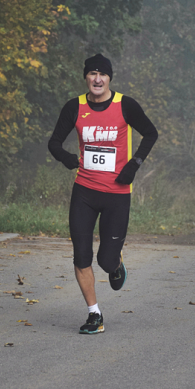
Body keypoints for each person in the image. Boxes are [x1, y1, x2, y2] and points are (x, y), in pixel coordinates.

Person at [48, 54, 158, 334]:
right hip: (84, 191)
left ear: (109, 78)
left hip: (117, 194)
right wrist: (66, 158)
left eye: (102, 74)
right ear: (86, 77)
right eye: (92, 73)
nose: (97, 79)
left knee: (105, 262)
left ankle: (116, 261)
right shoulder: (75, 107)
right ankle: (94, 315)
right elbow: (54, 142)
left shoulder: (125, 105)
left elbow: (150, 133)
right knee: (81, 256)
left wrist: (135, 165)